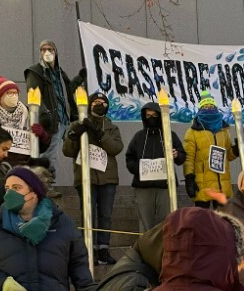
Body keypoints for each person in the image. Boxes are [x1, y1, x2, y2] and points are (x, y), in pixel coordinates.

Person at [63, 92, 124, 266]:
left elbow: (116, 148)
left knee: (105, 215)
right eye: (96, 101)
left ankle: (103, 249)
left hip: (107, 177)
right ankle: (88, 248)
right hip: (85, 177)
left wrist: (99, 133)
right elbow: (67, 151)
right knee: (88, 214)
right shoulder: (77, 124)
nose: (99, 105)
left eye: (103, 103)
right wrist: (73, 136)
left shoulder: (111, 127)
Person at [24, 39, 85, 196]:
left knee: (78, 149)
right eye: (43, 49)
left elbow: (69, 91)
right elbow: (33, 94)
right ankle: (46, 186)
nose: (47, 52)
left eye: (50, 49)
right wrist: (45, 115)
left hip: (66, 119)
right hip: (52, 121)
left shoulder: (60, 73)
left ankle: (83, 183)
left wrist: (79, 78)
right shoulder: (36, 72)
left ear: (55, 52)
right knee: (49, 155)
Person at [125, 101, 186, 232]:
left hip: (165, 186)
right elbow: (129, 158)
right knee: (145, 223)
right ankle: (145, 244)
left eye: (154, 115)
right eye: (148, 115)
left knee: (168, 221)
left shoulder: (170, 135)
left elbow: (182, 156)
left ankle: (166, 244)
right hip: (143, 186)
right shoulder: (139, 136)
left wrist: (177, 155)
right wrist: (139, 169)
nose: (151, 118)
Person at [0, 75, 52, 168]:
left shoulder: (29, 115)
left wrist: (43, 137)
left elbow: (40, 149)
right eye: (9, 93)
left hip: (24, 166)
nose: (14, 96)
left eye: (16, 93)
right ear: (0, 96)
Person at [183, 90, 239, 209]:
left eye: (211, 106)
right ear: (200, 109)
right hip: (203, 186)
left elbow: (228, 155)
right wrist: (189, 178)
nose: (209, 109)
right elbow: (188, 158)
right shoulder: (192, 132)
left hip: (221, 185)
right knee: (202, 219)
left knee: (223, 219)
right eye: (205, 106)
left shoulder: (223, 130)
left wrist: (236, 150)